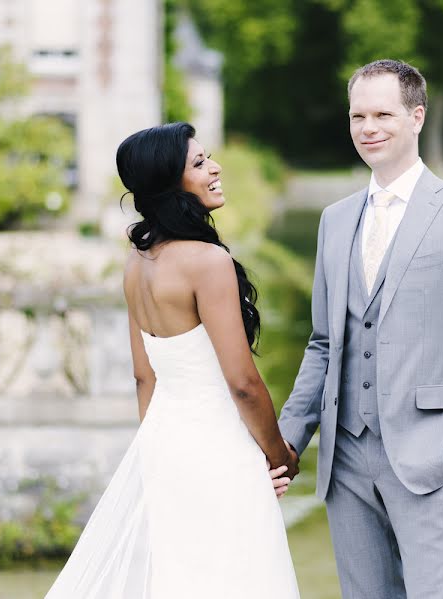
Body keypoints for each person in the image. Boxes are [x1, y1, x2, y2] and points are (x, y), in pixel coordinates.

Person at [278, 59, 443, 599]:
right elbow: (323, 343)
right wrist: (287, 442)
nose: (368, 128)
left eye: (383, 114)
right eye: (357, 116)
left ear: (416, 117)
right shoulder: (335, 219)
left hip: (435, 454)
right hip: (345, 461)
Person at [45, 122, 300, 599]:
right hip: (219, 449)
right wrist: (278, 457)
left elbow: (145, 377)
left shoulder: (137, 263)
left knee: (178, 579)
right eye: (200, 163)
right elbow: (243, 381)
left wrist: (156, 458)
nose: (216, 167)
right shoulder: (207, 262)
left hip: (165, 447)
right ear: (170, 182)